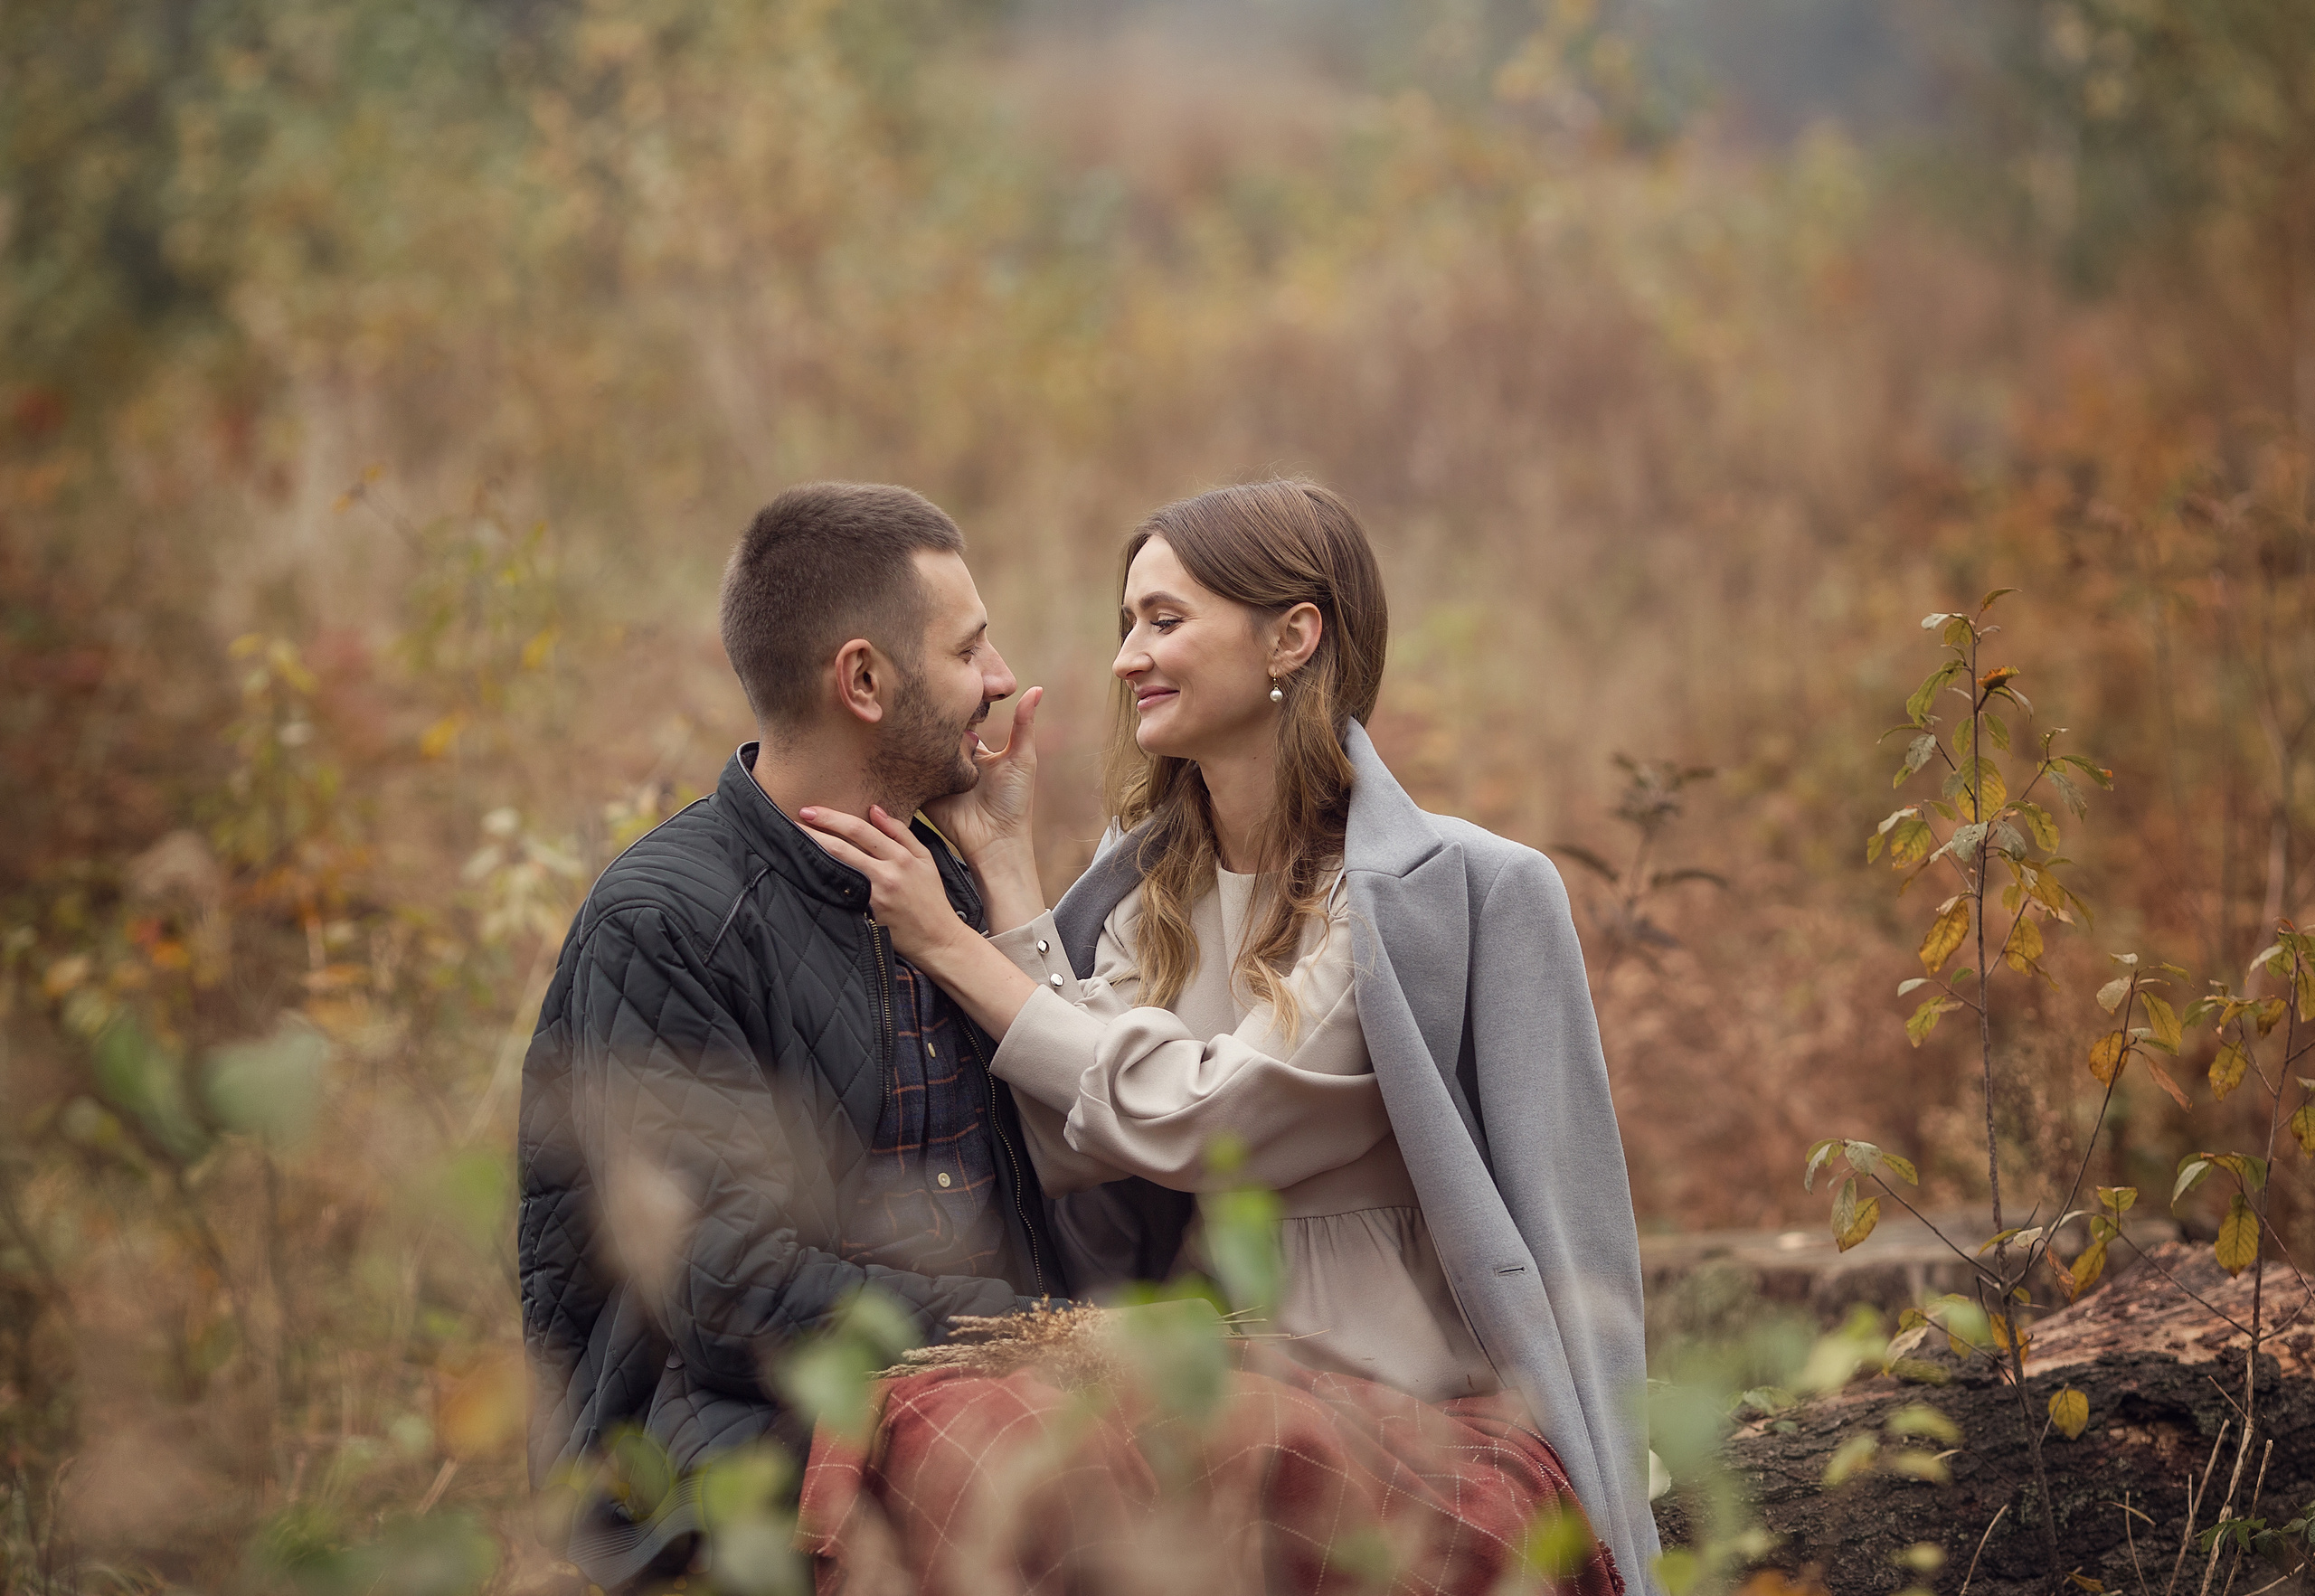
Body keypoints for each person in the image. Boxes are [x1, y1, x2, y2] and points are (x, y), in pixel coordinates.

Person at [799, 479, 1661, 1592]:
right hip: (1215, 1377)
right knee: (944, 1438)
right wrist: (1005, 864)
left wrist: (953, 944)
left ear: (1292, 636)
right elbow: (1081, 1130)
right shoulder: (1150, 884)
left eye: (1163, 620)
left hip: (1419, 1405)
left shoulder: (1432, 893)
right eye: (1125, 626)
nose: (1126, 658)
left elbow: (1219, 1119)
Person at [516, 482, 1072, 1590]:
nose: (1003, 679)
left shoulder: (938, 881)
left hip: (976, 1405)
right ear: (862, 680)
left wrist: (1002, 873)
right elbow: (722, 1286)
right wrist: (1030, 1332)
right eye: (969, 648)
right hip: (723, 1442)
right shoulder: (667, 921)